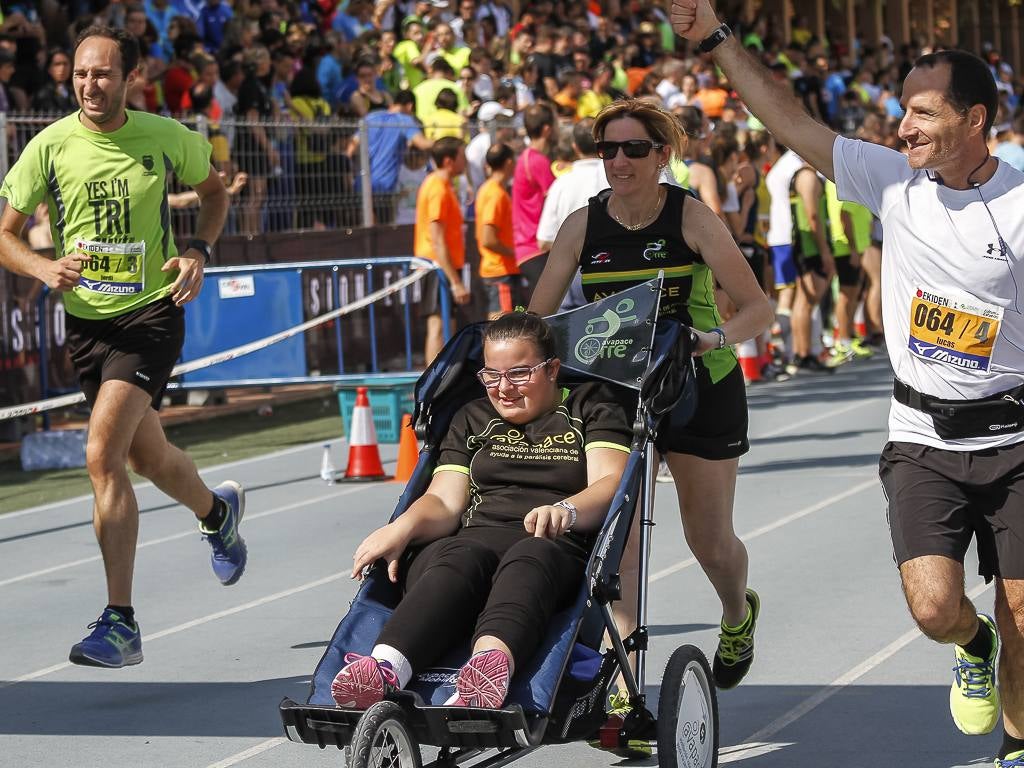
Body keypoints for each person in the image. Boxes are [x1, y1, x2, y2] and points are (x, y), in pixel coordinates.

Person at [671, 1, 1024, 764]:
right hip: (923, 439)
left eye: (923, 113)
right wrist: (718, 40)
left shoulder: (1022, 203)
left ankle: (1017, 746)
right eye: (902, 111)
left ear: (976, 119)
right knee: (934, 609)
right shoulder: (892, 182)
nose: (903, 127)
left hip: (1016, 439)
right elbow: (790, 123)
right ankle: (973, 642)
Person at [0, 26, 245, 669]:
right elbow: (5, 233)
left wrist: (198, 250)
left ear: (129, 77)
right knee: (148, 456)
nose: (89, 84)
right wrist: (43, 268)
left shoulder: (166, 137)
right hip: (87, 326)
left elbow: (216, 195)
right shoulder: (49, 146)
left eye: (103, 73)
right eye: (81, 74)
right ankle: (217, 513)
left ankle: (121, 622)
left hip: (150, 316)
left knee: (101, 454)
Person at [529, 99, 773, 697]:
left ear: (662, 155)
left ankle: (738, 612)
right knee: (623, 535)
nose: (618, 160)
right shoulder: (584, 226)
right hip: (617, 397)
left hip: (698, 387)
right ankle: (624, 684)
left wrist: (707, 338)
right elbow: (535, 319)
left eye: (634, 149)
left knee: (708, 541)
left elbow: (759, 308)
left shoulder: (690, 217)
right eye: (607, 149)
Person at [331, 311, 631, 710]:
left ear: (553, 368)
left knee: (530, 553)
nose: (503, 388)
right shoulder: (472, 416)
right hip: (472, 541)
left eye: (520, 374)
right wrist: (401, 527)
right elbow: (444, 502)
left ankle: (487, 670)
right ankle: (384, 669)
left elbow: (611, 483)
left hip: (552, 544)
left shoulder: (591, 405)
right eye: (492, 375)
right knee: (458, 554)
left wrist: (568, 509)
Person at [414, 136, 472, 364]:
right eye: (461, 156)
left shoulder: (442, 185)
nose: (465, 162)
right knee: (438, 324)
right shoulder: (437, 187)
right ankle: (433, 386)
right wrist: (455, 281)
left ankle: (443, 381)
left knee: (447, 322)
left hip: (441, 265)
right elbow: (437, 240)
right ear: (449, 160)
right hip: (436, 265)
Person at [474, 143, 520, 319]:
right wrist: (514, 253)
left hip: (499, 270)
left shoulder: (491, 189)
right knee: (501, 324)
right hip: (500, 270)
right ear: (509, 163)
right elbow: (488, 239)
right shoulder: (495, 193)